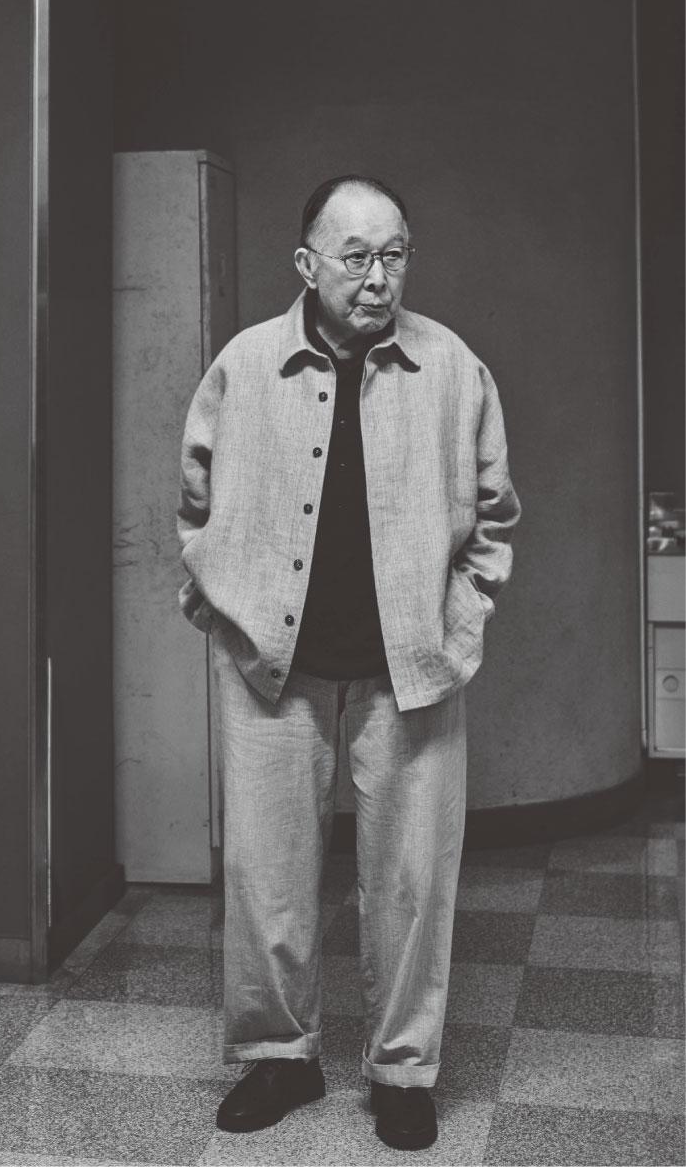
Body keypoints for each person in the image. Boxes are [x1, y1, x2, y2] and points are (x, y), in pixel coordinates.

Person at [177, 174, 520, 1152]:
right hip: (270, 668)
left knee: (410, 880)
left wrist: (460, 622)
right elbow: (193, 504)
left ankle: (400, 1071)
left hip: (409, 668)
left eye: (394, 255)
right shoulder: (244, 365)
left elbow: (495, 516)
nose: (377, 278)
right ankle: (278, 1058)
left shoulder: (452, 367)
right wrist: (222, 614)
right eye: (355, 256)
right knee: (266, 876)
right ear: (306, 263)